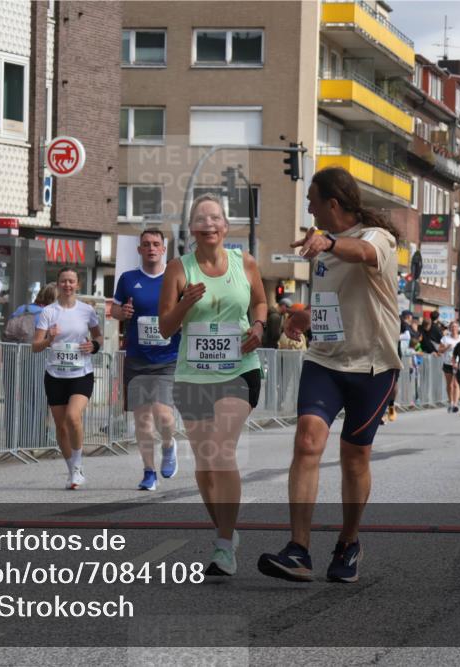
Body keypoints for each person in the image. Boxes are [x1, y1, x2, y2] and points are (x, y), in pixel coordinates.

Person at [257, 167, 401, 584]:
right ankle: (298, 549)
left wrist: (330, 242)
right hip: (325, 361)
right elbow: (335, 305)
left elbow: (363, 253)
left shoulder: (378, 237)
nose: (309, 209)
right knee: (307, 441)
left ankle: (348, 543)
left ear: (332, 203)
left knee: (355, 458)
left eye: (312, 202)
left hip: (372, 366)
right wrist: (305, 318)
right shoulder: (321, 248)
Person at [159, 193, 266, 576]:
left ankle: (223, 545)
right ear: (191, 228)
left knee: (221, 452)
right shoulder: (178, 268)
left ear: (226, 226)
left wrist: (258, 326)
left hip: (239, 369)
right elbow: (165, 327)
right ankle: (227, 530)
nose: (209, 224)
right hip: (194, 375)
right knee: (205, 465)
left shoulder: (245, 262)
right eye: (202, 219)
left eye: (216, 218)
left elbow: (260, 303)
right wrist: (185, 303)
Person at [112, 229, 181, 491]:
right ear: (139, 249)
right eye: (146, 244)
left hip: (167, 357)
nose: (151, 248)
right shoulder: (128, 279)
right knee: (142, 420)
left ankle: (169, 444)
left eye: (155, 244)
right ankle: (149, 472)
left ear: (163, 249)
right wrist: (123, 312)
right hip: (137, 358)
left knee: (163, 415)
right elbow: (115, 310)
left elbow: (188, 310)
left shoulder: (174, 278)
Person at [32, 267, 103, 490]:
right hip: (55, 375)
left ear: (78, 284)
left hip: (81, 373)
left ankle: (79, 465)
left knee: (73, 417)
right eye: (64, 281)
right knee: (61, 426)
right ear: (58, 284)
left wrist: (94, 345)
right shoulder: (48, 312)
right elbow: (35, 346)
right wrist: (49, 339)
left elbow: (99, 336)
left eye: (71, 281)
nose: (67, 285)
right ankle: (72, 469)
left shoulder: (87, 310)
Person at [438, 321, 460, 413]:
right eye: (452, 327)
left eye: (455, 327)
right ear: (449, 328)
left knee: (456, 384)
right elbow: (440, 350)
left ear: (458, 328)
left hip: (458, 364)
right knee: (449, 384)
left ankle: (455, 404)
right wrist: (446, 348)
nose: (454, 328)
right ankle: (451, 402)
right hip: (448, 363)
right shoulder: (445, 339)